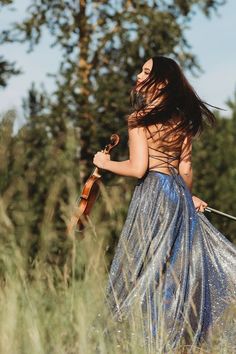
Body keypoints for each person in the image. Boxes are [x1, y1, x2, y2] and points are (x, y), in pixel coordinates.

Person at [93, 56, 236, 351]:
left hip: (154, 196)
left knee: (145, 269)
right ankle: (179, 338)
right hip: (177, 195)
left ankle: (143, 337)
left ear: (162, 81)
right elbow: (184, 169)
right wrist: (187, 195)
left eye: (147, 71)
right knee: (178, 270)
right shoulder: (182, 119)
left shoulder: (140, 119)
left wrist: (104, 163)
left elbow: (138, 168)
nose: (140, 75)